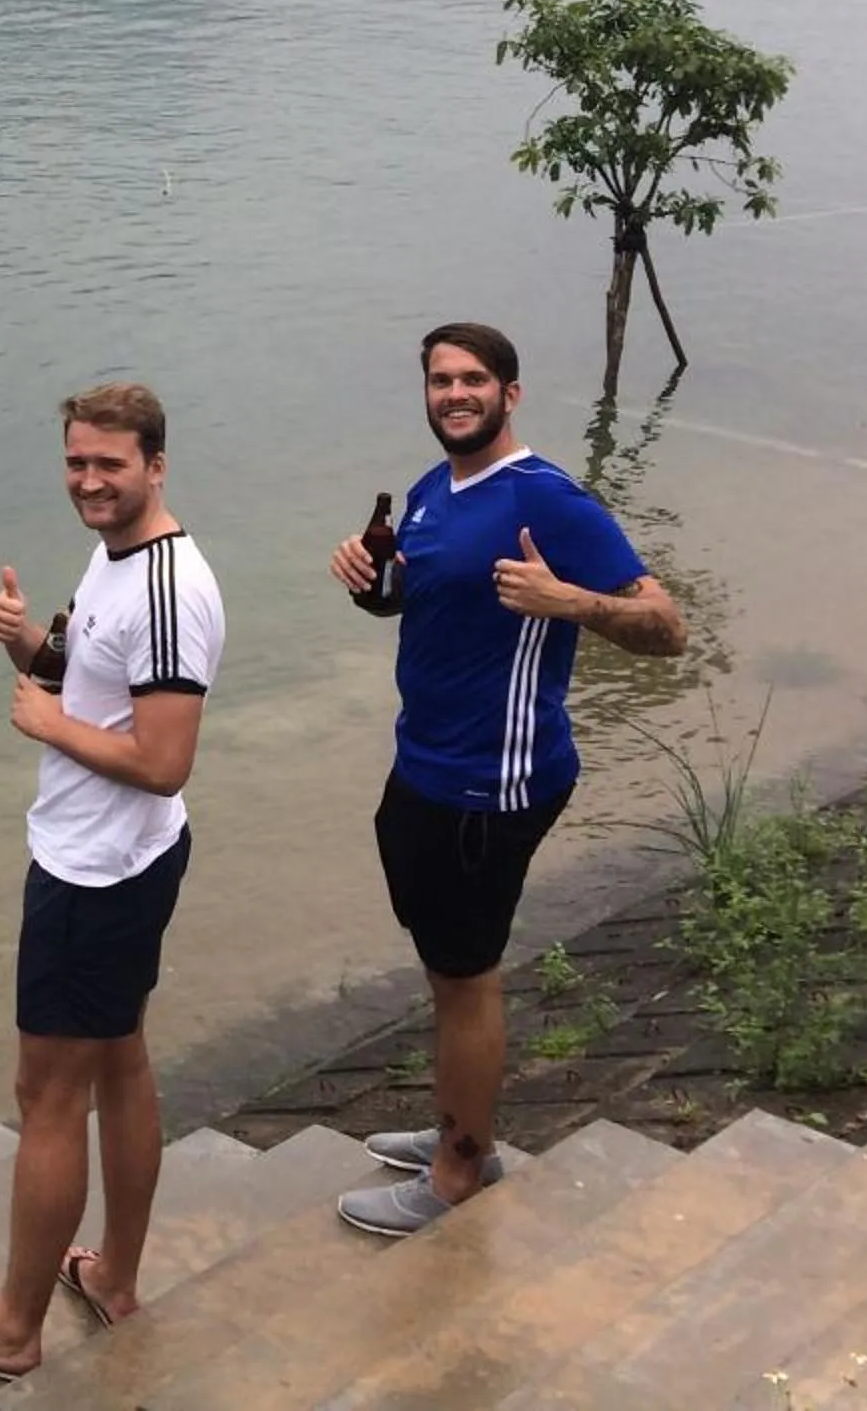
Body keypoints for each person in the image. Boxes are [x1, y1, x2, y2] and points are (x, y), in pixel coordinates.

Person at [327, 321, 686, 1236]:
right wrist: (374, 580)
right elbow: (424, 594)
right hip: (425, 768)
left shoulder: (550, 500)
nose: (455, 393)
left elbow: (667, 626)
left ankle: (458, 1169)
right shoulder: (431, 490)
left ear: (510, 394)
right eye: (441, 380)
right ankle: (464, 1127)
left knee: (469, 977)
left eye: (474, 380)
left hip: (494, 784)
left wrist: (572, 601)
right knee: (447, 970)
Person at [0, 384, 223, 1380]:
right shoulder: (120, 555)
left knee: (46, 1095)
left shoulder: (171, 588)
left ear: (157, 465)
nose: (89, 481)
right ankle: (115, 1278)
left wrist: (45, 724)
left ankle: (11, 1330)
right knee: (120, 1059)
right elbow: (100, 687)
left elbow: (166, 757)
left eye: (110, 465)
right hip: (124, 857)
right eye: (77, 463)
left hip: (98, 874)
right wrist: (29, 653)